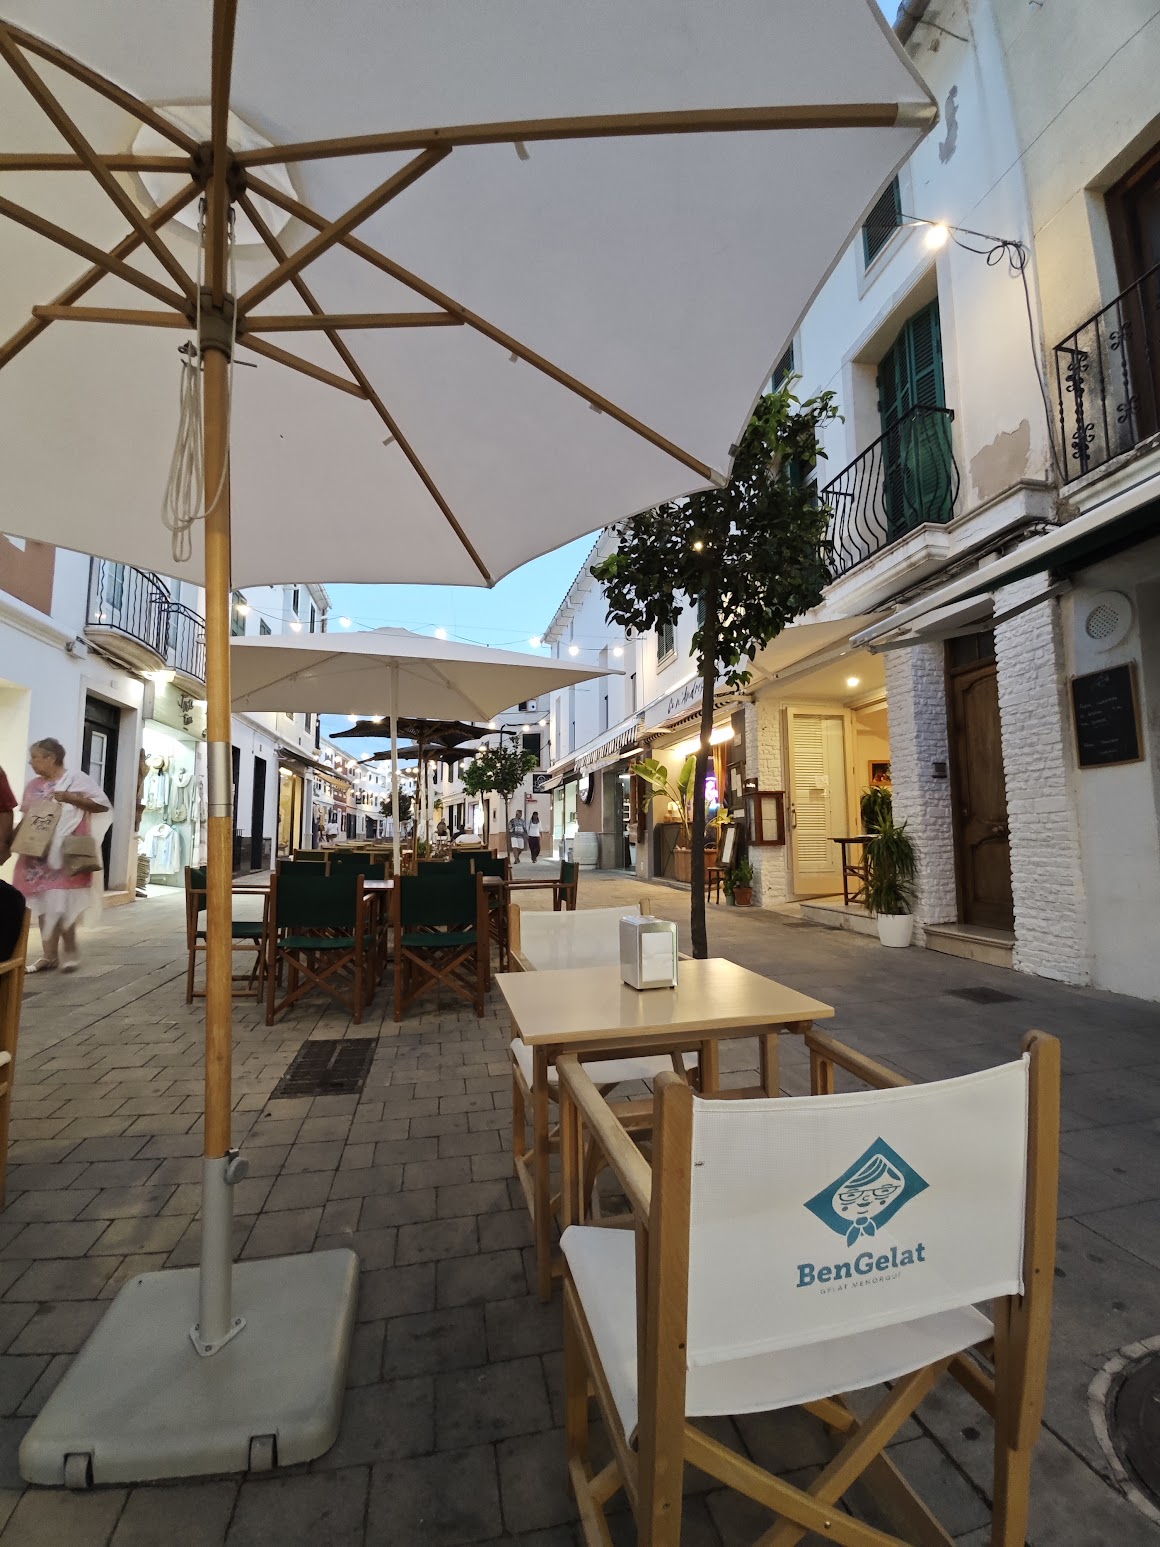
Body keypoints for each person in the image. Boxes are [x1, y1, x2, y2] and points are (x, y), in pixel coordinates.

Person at [11, 739, 110, 974]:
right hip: (38, 855)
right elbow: (27, 816)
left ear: (50, 758)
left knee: (62, 904)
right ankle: (49, 955)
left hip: (66, 853)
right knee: (45, 903)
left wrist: (72, 798)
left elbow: (101, 805)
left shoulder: (76, 779)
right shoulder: (33, 785)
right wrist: (12, 842)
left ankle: (70, 951)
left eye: (35, 757)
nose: (30, 762)